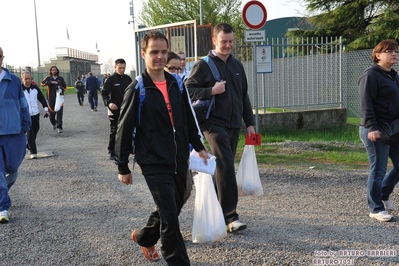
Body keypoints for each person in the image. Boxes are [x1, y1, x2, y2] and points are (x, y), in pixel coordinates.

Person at [114, 31, 208, 265]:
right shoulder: (137, 88)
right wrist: (123, 165)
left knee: (174, 205)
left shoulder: (176, 83)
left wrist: (198, 145)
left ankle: (145, 237)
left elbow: (186, 118)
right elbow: (123, 128)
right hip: (153, 160)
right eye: (154, 52)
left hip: (177, 157)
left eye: (163, 52)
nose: (159, 56)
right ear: (143, 54)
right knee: (170, 218)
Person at [185, 23, 255, 232]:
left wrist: (250, 123)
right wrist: (211, 91)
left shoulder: (237, 66)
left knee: (223, 168)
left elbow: (244, 97)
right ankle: (230, 217)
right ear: (214, 40)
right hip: (212, 123)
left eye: (231, 41)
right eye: (223, 41)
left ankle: (213, 211)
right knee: (225, 165)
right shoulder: (204, 65)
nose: (228, 45)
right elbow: (188, 90)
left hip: (233, 124)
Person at [358, 39, 399, 222]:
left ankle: (383, 193)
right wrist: (372, 128)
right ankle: (375, 208)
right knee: (378, 170)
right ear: (377, 56)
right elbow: (366, 104)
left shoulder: (392, 75)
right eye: (389, 51)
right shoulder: (371, 75)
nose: (394, 54)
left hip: (392, 129)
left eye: (396, 51)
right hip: (375, 130)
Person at [0, 47, 32, 223]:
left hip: (13, 133)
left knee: (12, 171)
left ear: (2, 58)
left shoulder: (13, 81)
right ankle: (3, 207)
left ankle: (2, 191)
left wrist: (25, 126)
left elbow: (23, 105)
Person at [102, 59, 132, 160]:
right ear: (115, 67)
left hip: (126, 109)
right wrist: (109, 103)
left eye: (124, 68)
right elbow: (104, 94)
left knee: (127, 130)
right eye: (120, 68)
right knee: (114, 131)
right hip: (114, 110)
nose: (122, 70)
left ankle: (126, 149)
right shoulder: (110, 80)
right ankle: (112, 150)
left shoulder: (128, 79)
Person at [21, 71, 49, 159]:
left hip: (35, 114)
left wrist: (46, 109)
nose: (28, 80)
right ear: (22, 79)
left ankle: (28, 146)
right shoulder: (19, 90)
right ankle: (33, 152)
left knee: (36, 129)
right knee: (30, 133)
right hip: (25, 115)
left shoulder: (35, 88)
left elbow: (42, 99)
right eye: (26, 79)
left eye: (29, 79)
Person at [41, 66, 66, 133]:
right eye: (53, 70)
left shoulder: (61, 78)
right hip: (50, 98)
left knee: (59, 113)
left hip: (59, 99)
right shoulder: (48, 78)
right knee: (51, 114)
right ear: (51, 71)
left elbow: (65, 87)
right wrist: (51, 82)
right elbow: (42, 83)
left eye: (55, 70)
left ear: (57, 71)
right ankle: (54, 123)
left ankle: (59, 127)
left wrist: (60, 88)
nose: (54, 71)